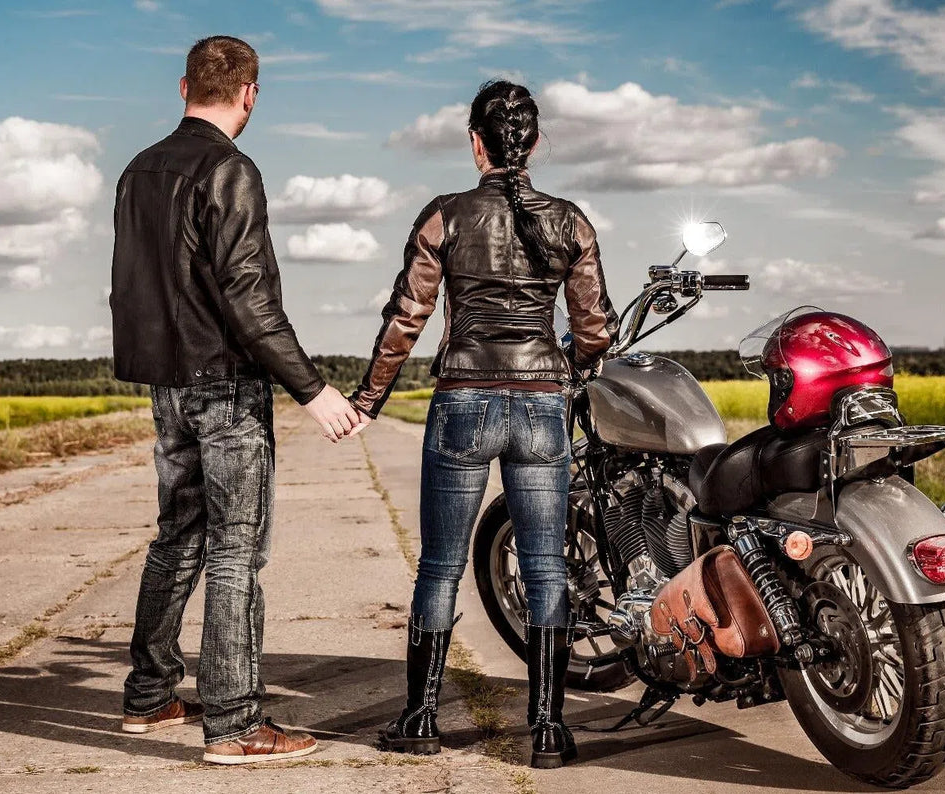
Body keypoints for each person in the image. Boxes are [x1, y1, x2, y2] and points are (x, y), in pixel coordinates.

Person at [349, 81, 618, 770]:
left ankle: (420, 718)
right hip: (541, 404)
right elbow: (595, 329)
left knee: (439, 567)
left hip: (462, 401)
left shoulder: (445, 216)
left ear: (477, 143)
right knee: (546, 568)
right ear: (533, 143)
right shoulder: (571, 222)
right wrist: (563, 369)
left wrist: (369, 400)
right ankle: (549, 729)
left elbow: (407, 317)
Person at [110, 35, 363, 765]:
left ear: (184, 86)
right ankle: (235, 723)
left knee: (176, 538)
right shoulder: (231, 170)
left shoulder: (137, 170)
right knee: (234, 551)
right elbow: (249, 299)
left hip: (167, 385)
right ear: (250, 94)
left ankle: (150, 695)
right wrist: (312, 389)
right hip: (223, 386)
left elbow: (136, 284)